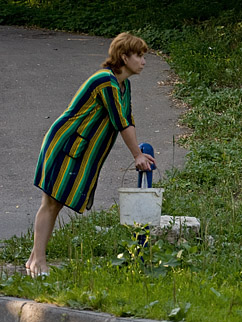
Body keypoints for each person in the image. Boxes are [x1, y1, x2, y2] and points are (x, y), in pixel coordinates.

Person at [26, 32, 155, 277]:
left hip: (79, 150)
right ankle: (38, 262)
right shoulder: (105, 81)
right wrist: (137, 155)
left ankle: (35, 259)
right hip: (65, 146)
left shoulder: (122, 84)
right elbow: (120, 122)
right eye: (139, 55)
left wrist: (138, 152)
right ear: (124, 57)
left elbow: (129, 118)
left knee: (56, 203)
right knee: (51, 202)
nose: (144, 61)